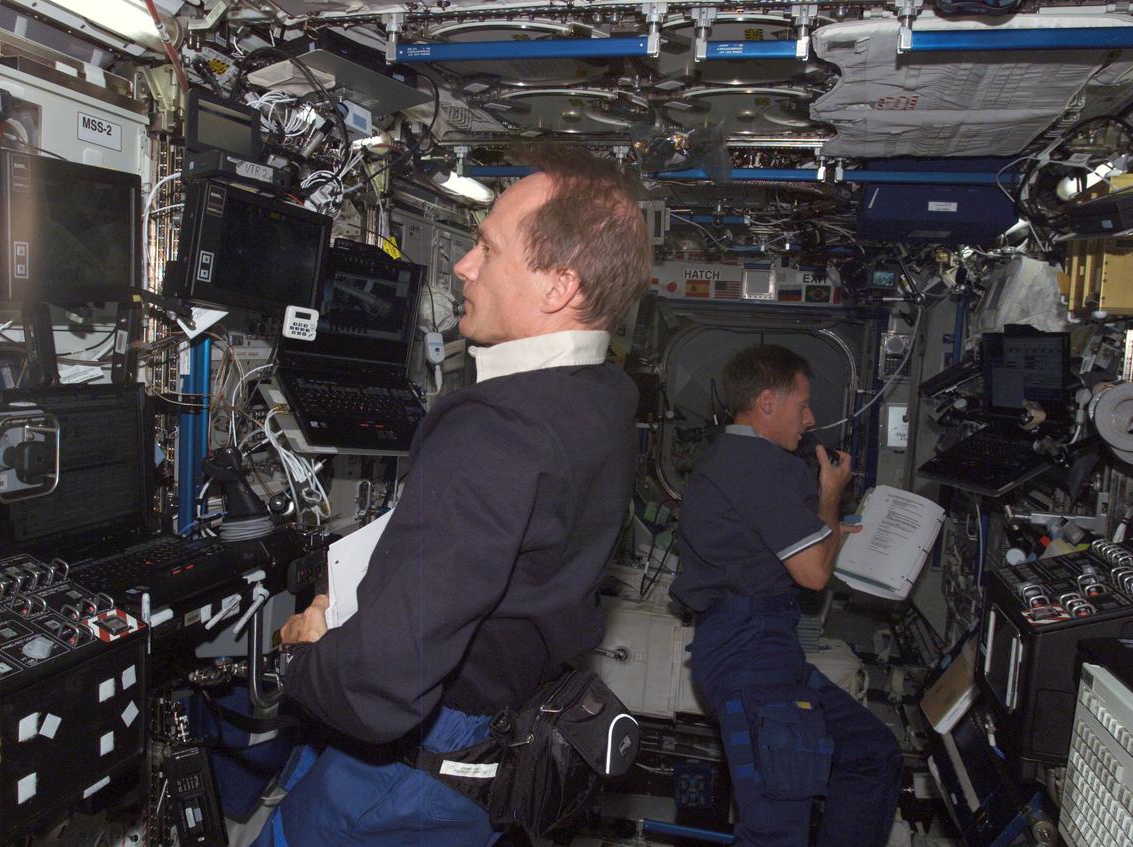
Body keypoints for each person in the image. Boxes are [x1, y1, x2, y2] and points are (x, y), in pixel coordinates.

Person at [253, 145, 652, 847]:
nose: (464, 267)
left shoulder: (498, 429)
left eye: (488, 248)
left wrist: (303, 656)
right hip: (504, 737)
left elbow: (381, 687)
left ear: (559, 286)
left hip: (421, 759)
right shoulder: (607, 397)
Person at [669, 344, 902, 847]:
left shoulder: (737, 459)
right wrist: (830, 494)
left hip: (761, 647)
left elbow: (791, 546)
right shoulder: (757, 464)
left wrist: (831, 530)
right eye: (804, 405)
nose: (810, 419)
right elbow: (813, 575)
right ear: (768, 403)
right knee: (776, 831)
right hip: (749, 650)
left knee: (871, 752)